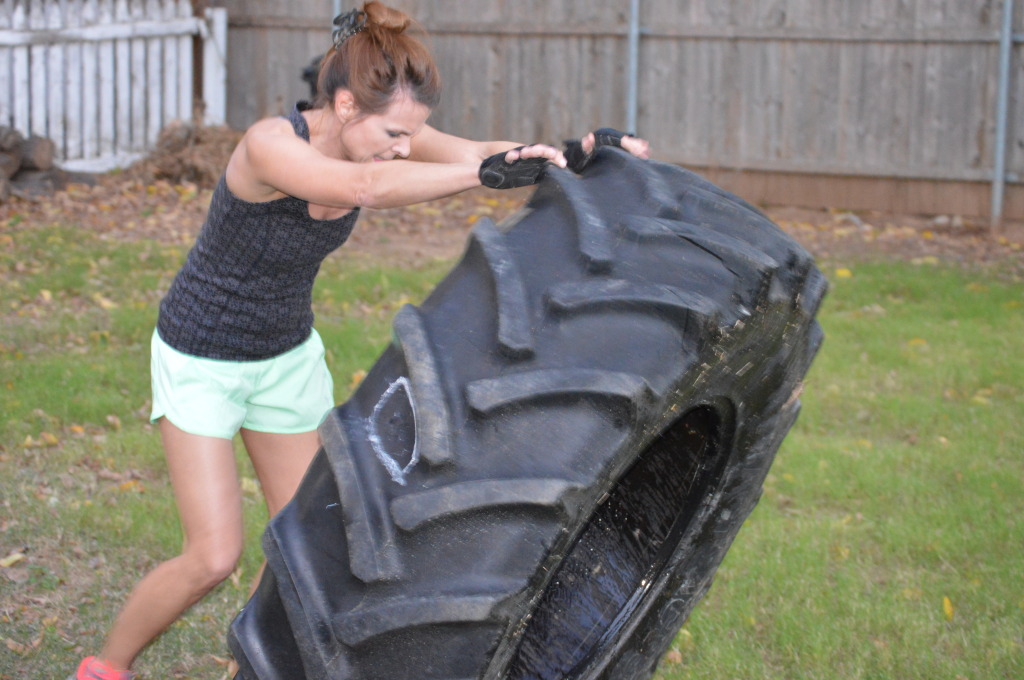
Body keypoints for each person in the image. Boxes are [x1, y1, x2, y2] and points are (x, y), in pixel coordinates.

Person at [70, 3, 649, 678]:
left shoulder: (384, 133)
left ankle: (253, 666)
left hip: (284, 358)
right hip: (201, 358)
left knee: (305, 555)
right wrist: (478, 177)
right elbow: (363, 185)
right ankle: (104, 668)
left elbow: (477, 155)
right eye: (396, 132)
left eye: (414, 133)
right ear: (344, 104)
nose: (406, 146)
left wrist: (577, 154)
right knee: (212, 556)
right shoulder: (268, 145)